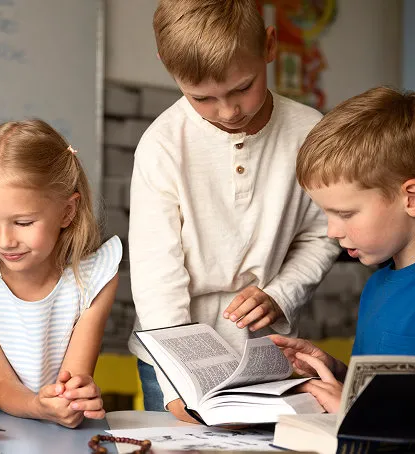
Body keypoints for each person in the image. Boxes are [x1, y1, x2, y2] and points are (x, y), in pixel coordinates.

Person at [128, 0, 340, 421]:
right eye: (202, 97)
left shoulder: (310, 132)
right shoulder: (162, 146)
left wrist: (281, 293)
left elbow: (323, 232)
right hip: (172, 361)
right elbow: (157, 279)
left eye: (243, 87)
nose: (228, 111)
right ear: (169, 69)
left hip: (268, 352)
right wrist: (175, 385)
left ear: (270, 46)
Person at [270, 86, 415, 431]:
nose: (332, 231)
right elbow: (380, 389)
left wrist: (367, 410)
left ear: (412, 198)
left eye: (345, 213)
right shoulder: (379, 283)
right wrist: (336, 371)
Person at [0, 119, 119, 428]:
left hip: (54, 419)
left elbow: (74, 377)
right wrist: (39, 406)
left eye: (23, 223)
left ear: (67, 212)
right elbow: (0, 385)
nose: (5, 240)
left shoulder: (94, 279)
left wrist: (73, 396)